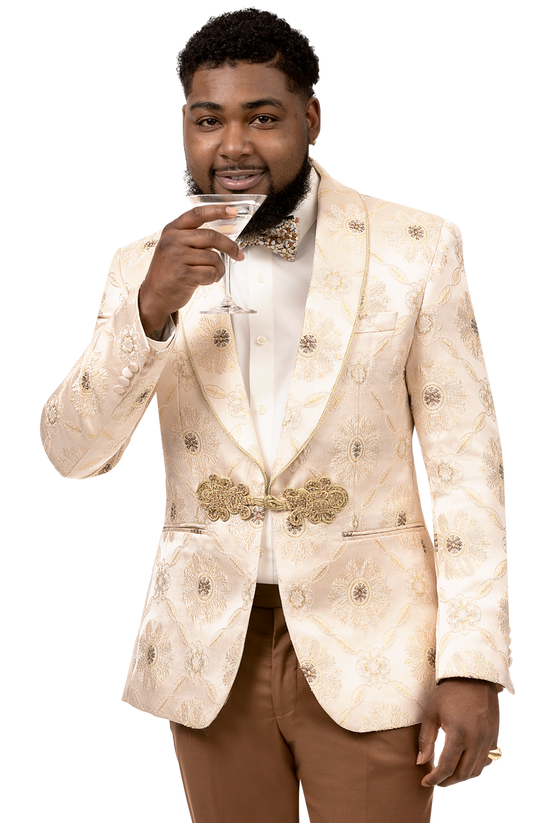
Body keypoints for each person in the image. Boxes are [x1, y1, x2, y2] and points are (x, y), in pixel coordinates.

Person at [37, 7, 515, 822]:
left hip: (374, 637)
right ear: (182, 126)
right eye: (207, 119)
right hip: (206, 642)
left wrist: (472, 661)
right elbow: (72, 454)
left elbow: (467, 465)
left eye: (262, 117)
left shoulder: (418, 244)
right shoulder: (136, 267)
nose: (233, 147)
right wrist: (147, 315)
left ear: (312, 119)